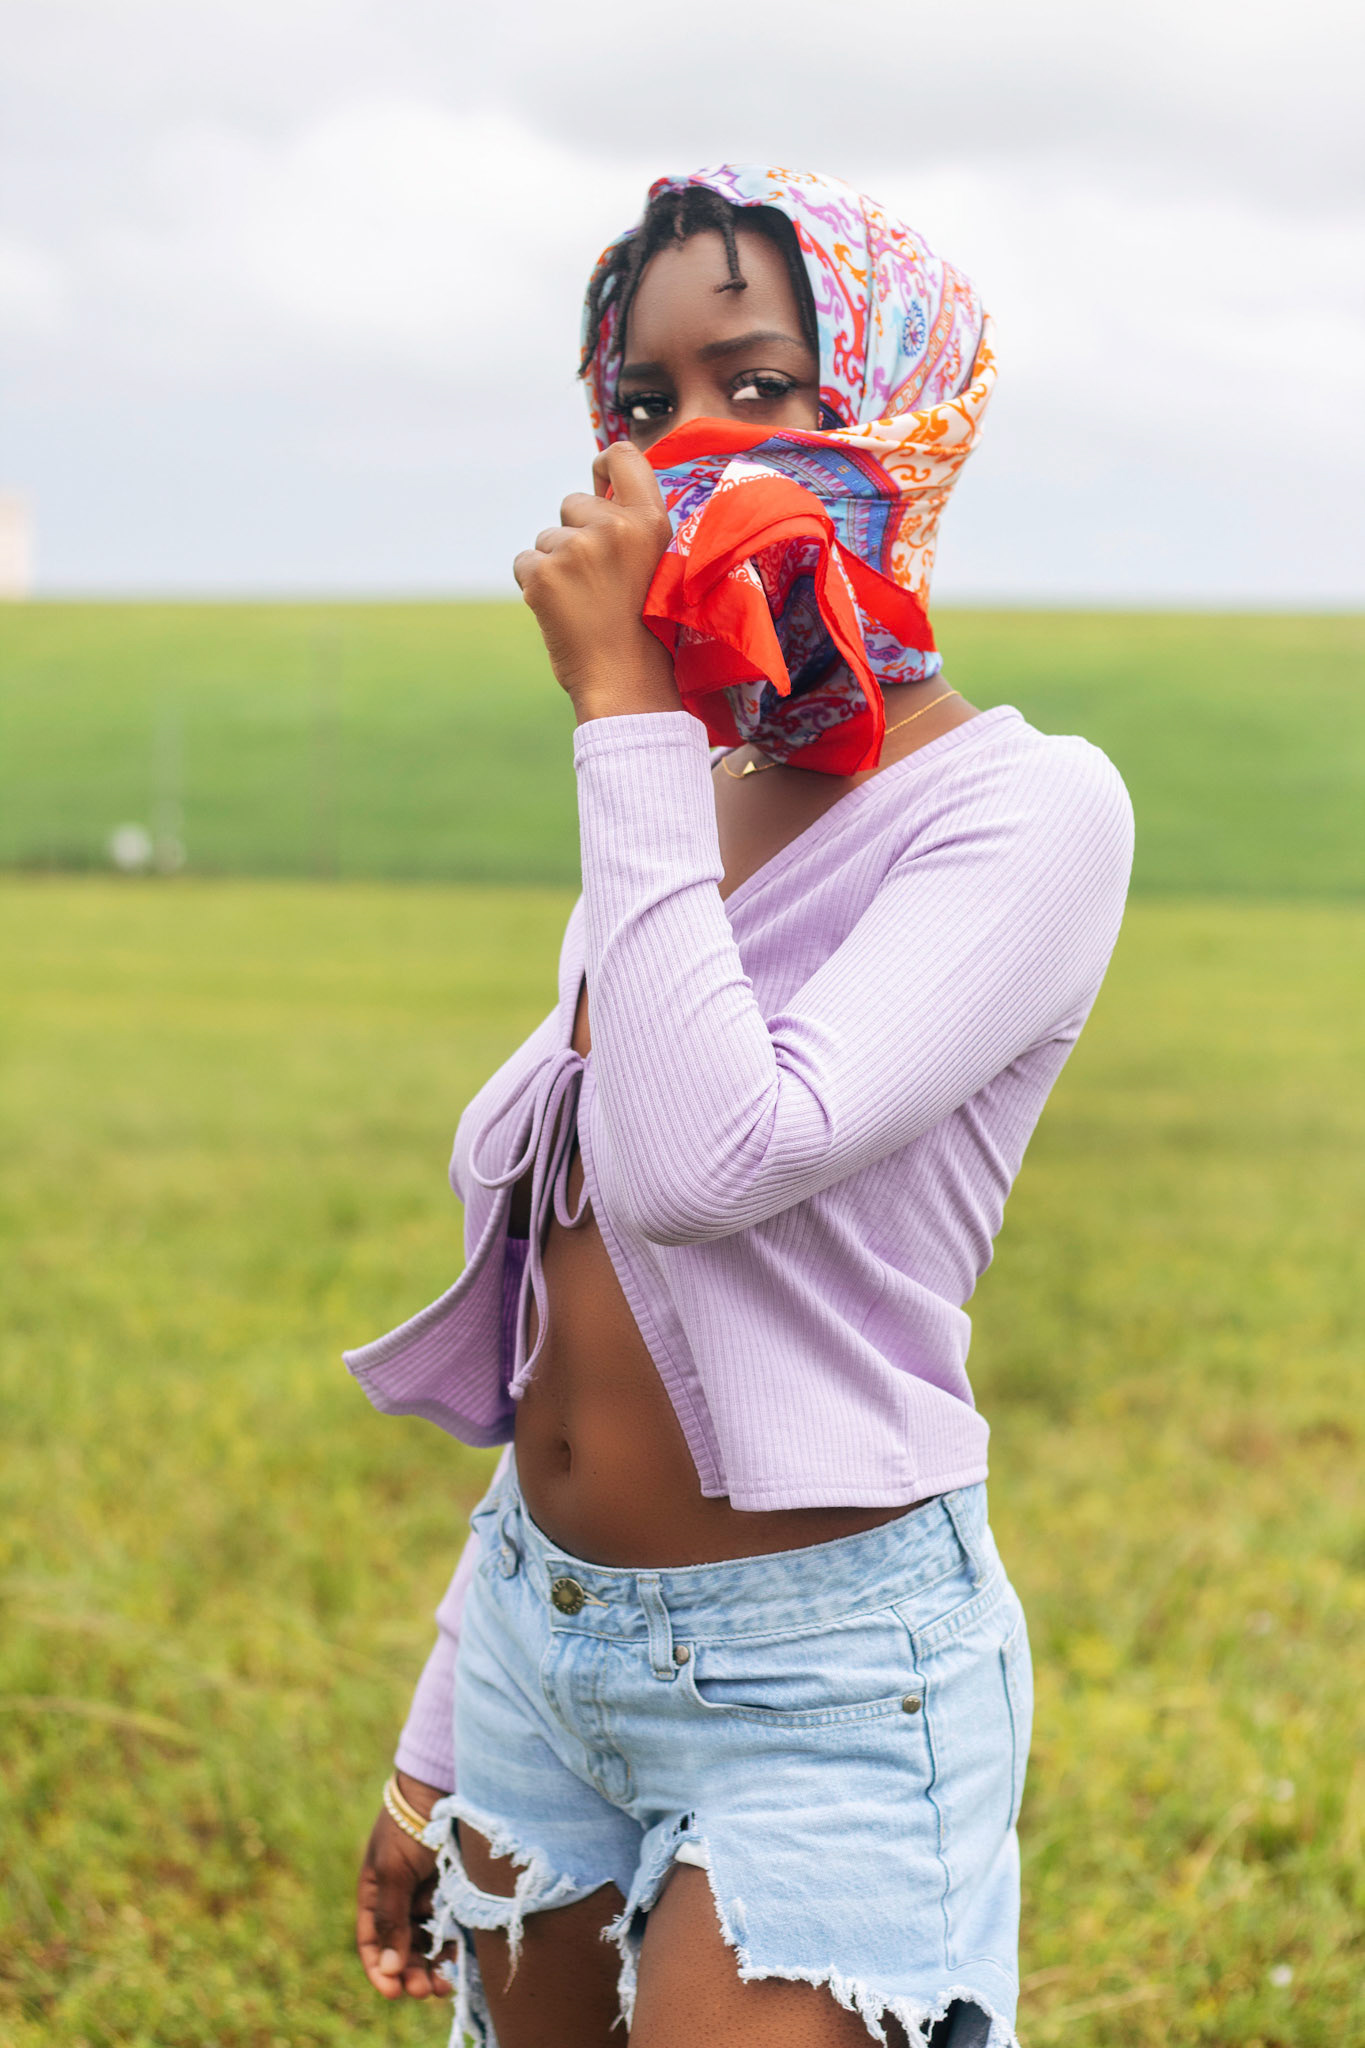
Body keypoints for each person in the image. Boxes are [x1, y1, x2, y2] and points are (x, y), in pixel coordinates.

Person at [349, 166, 1133, 2048]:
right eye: (642, 403)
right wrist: (437, 1737)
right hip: (543, 1648)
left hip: (826, 1683)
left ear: (900, 413)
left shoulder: (1025, 809)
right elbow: (573, 1309)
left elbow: (711, 1163)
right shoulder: (673, 803)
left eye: (760, 385)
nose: (687, 444)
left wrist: (621, 713)